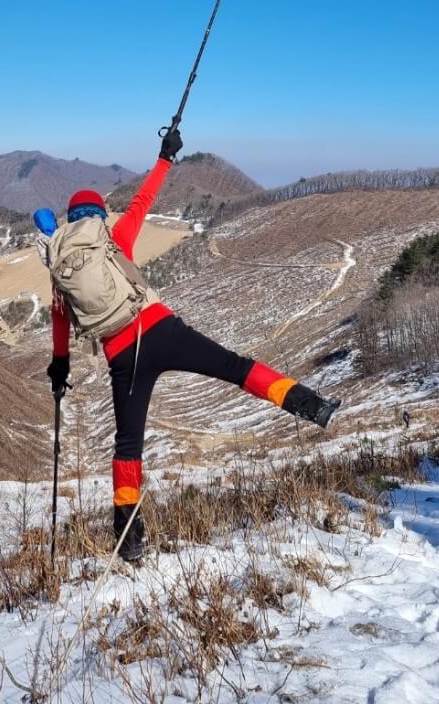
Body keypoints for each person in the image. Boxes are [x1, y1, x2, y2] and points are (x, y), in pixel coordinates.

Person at [39, 128, 341, 562]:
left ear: (70, 221)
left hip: (123, 359)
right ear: (99, 215)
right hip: (161, 329)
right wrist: (165, 157)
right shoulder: (113, 239)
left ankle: (129, 537)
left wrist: (60, 368)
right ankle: (310, 405)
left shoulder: (60, 271)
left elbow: (60, 327)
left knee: (128, 445)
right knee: (235, 368)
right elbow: (144, 200)